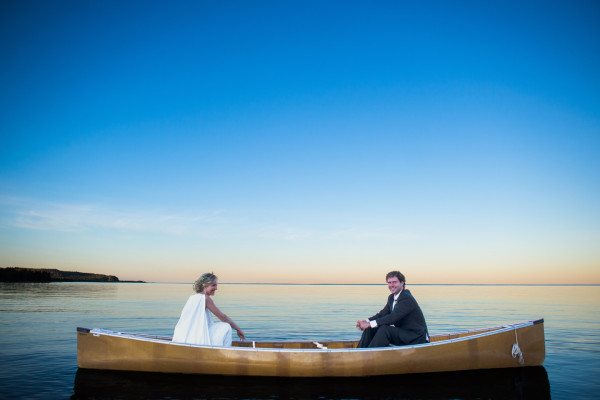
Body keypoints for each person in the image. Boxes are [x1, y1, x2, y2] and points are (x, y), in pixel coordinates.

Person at [356, 271, 428, 348]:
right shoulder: (391, 298)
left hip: (416, 337)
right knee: (371, 328)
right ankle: (359, 352)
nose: (391, 285)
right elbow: (382, 314)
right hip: (403, 334)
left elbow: (392, 318)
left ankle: (369, 356)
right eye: (389, 282)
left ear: (402, 283)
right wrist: (366, 321)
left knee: (385, 330)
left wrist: (370, 324)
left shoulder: (406, 298)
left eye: (394, 282)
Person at [172, 272, 245, 346]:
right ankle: (225, 351)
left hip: (182, 335)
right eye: (213, 285)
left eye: (216, 285)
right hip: (196, 338)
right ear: (205, 286)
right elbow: (224, 318)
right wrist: (238, 329)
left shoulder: (192, 298)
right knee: (226, 326)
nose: (216, 288)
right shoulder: (205, 298)